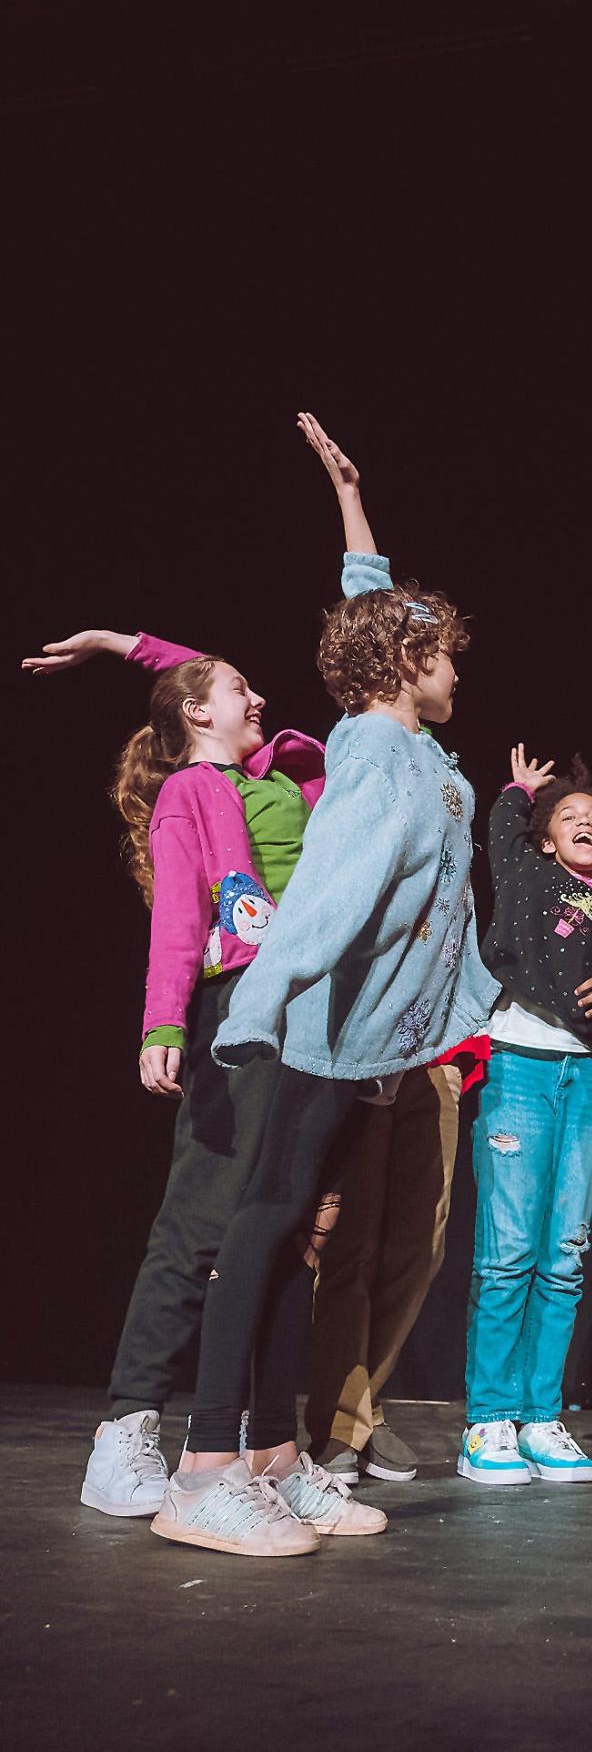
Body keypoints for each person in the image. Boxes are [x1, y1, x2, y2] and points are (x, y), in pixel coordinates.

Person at [22, 626, 384, 1552]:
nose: (259, 698)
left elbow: (207, 679)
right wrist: (163, 1023)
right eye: (239, 687)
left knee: (290, 1228)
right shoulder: (193, 789)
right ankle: (129, 1428)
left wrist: (120, 642)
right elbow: (182, 916)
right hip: (239, 1009)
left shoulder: (282, 775)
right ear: (196, 713)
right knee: (203, 1219)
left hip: (315, 1014)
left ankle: (270, 1453)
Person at [293, 413, 490, 1488]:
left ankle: (357, 1419)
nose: (457, 665)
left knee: (420, 1238)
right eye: (444, 652)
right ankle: (325, 1427)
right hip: (369, 1029)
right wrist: (348, 508)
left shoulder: (430, 753)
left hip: (433, 1037)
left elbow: (388, 619)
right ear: (409, 661)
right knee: (355, 1236)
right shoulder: (371, 742)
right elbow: (376, 617)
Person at [459, 750, 592, 1486]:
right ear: (544, 838)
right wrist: (519, 791)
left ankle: (540, 1416)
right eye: (567, 816)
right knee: (508, 1249)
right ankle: (489, 1419)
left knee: (564, 1255)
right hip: (521, 1064)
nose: (582, 822)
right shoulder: (528, 876)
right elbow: (500, 826)